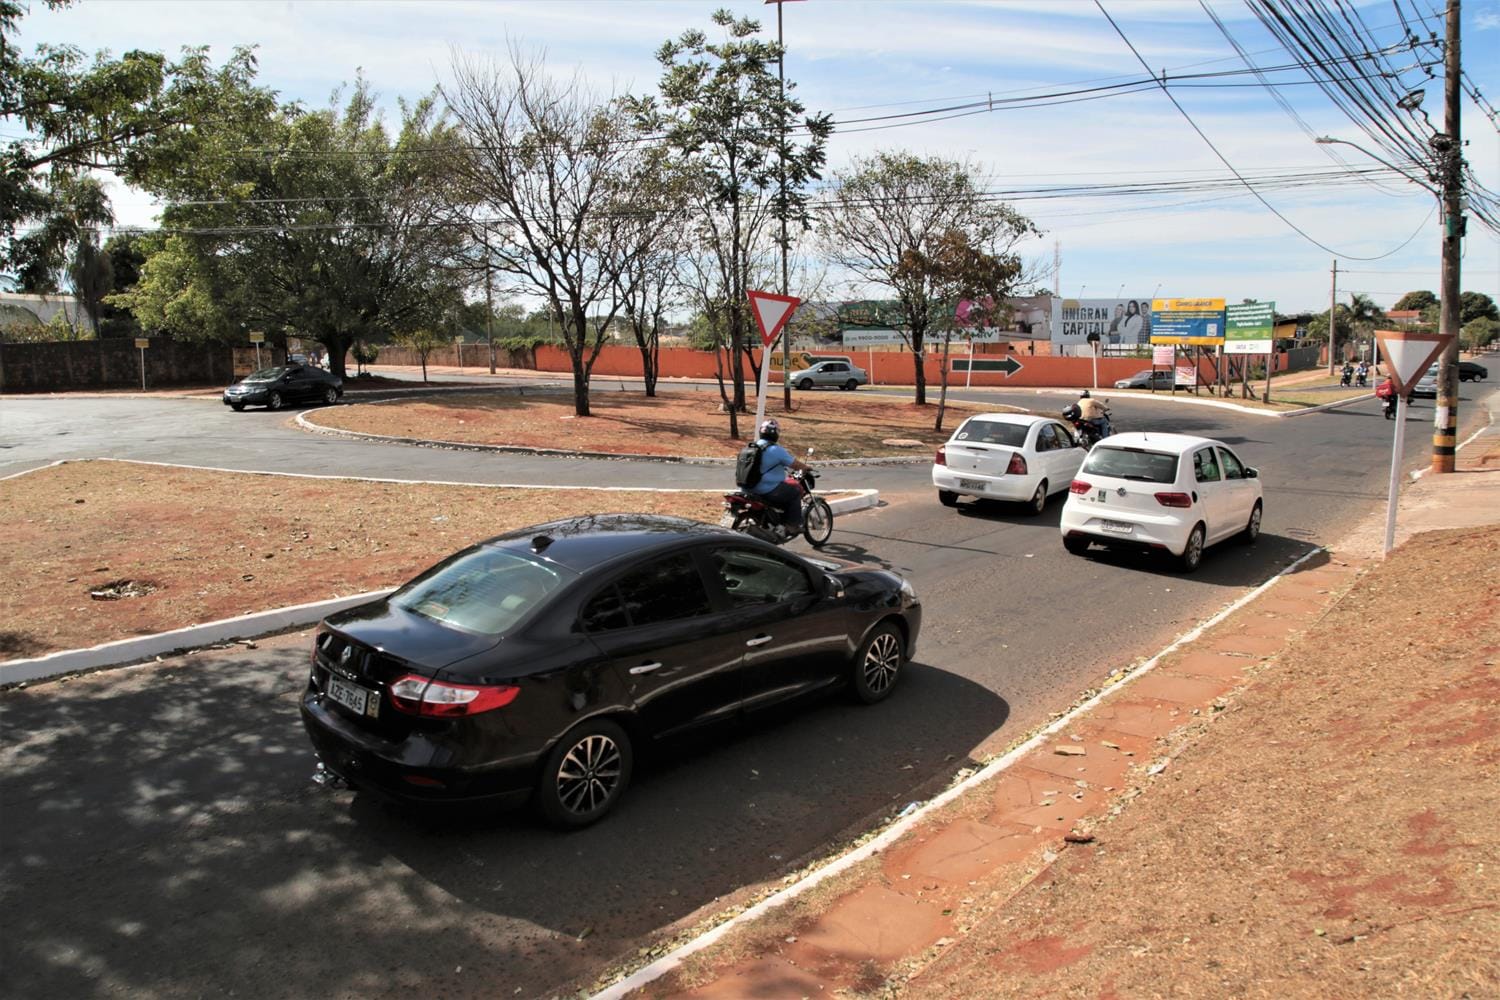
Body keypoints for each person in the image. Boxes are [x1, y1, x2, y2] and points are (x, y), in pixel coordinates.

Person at [749, 419, 809, 537]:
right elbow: (795, 465)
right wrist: (807, 468)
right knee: (795, 491)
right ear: (776, 434)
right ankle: (792, 526)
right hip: (766, 490)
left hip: (747, 488)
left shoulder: (751, 446)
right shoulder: (776, 450)